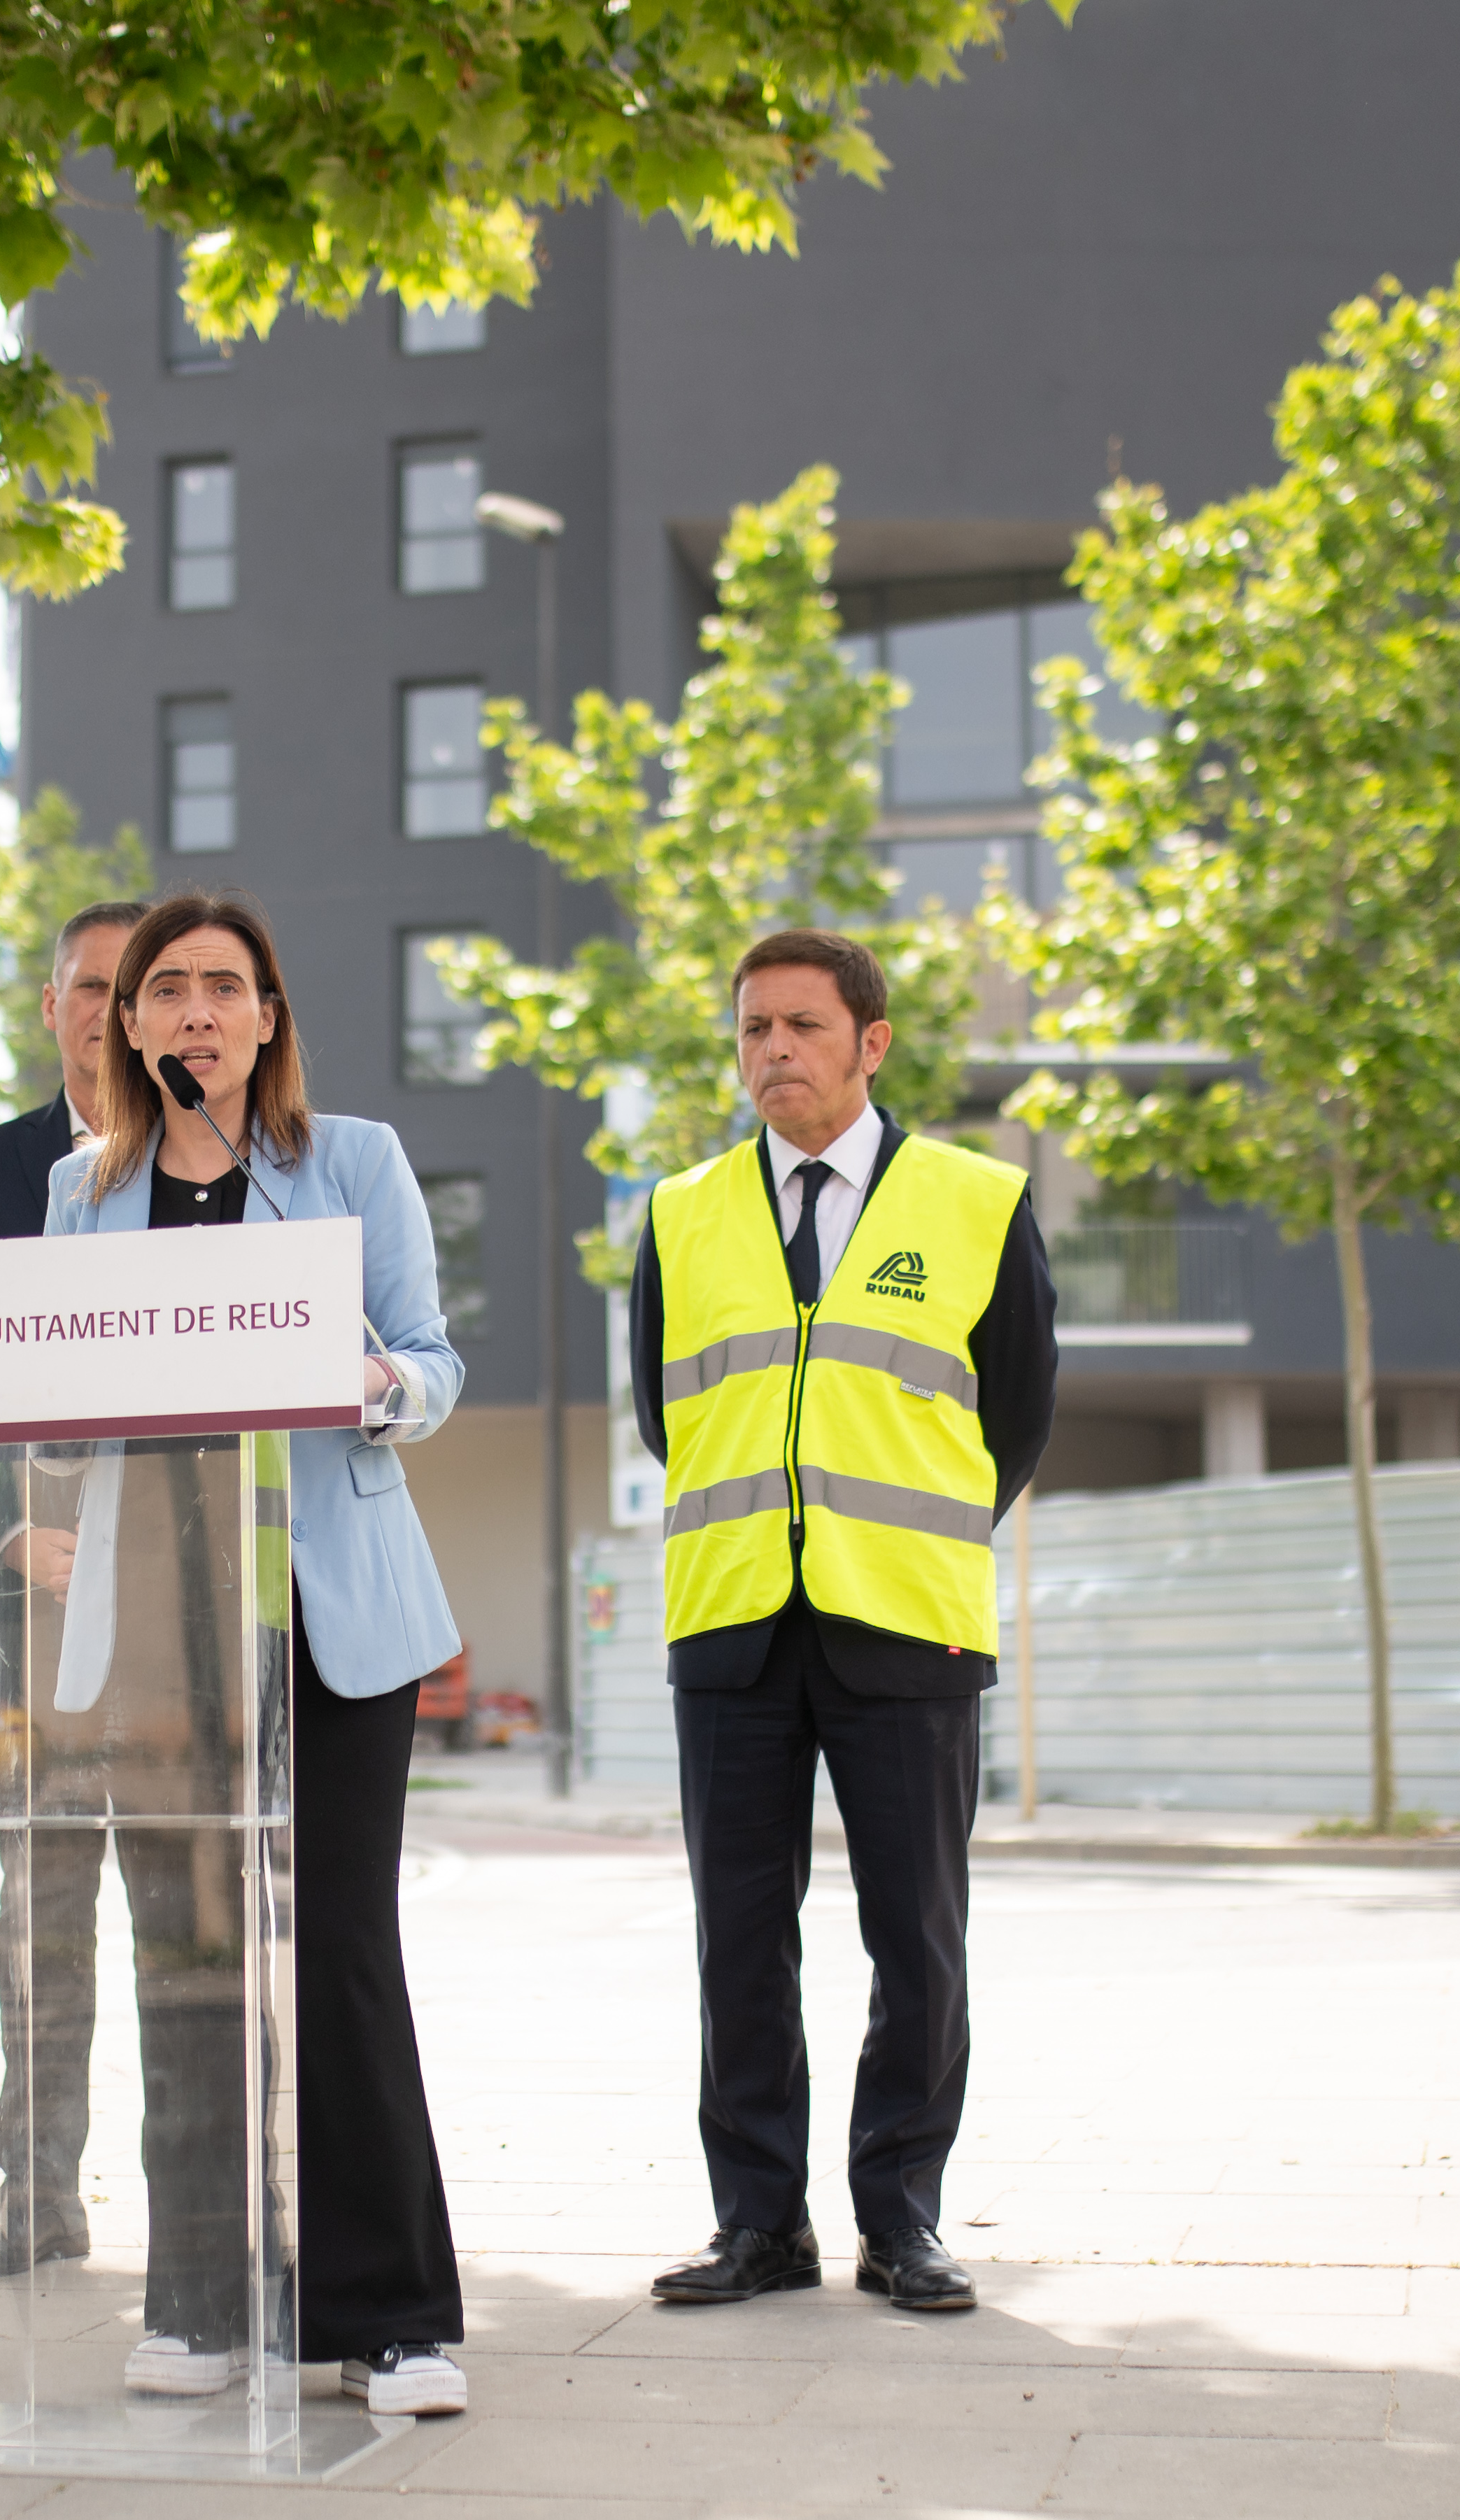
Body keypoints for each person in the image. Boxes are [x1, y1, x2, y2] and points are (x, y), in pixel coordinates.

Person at [39, 891, 474, 2420]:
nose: (196, 1011)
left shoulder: (346, 1162)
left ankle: (392, 2313)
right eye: (166, 988)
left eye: (224, 986)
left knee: (338, 1952)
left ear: (267, 1017)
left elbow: (433, 1361)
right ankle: (201, 2299)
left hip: (328, 1611)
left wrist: (367, 1377)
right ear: (128, 1023)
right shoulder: (81, 1191)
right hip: (157, 1627)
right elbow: (52, 1403)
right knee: (189, 1960)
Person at [629, 930, 1058, 2316]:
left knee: (916, 1939)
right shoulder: (679, 1212)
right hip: (732, 1622)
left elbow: (1017, 1414)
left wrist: (902, 1529)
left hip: (906, 1623)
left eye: (802, 1026)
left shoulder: (978, 1200)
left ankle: (900, 2219)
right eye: (753, 1027)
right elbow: (664, 1411)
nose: (772, 1051)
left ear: (871, 1042)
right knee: (738, 1941)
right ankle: (758, 2223)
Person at [0, 896, 146, 2284]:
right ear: (53, 1006)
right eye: (88, 986)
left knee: (195, 1910)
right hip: (24, 1607)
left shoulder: (225, 1170)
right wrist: (6, 1531)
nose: (109, 1012)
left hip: (184, 1610)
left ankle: (213, 2203)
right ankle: (37, 2192)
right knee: (38, 1912)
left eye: (135, 986)